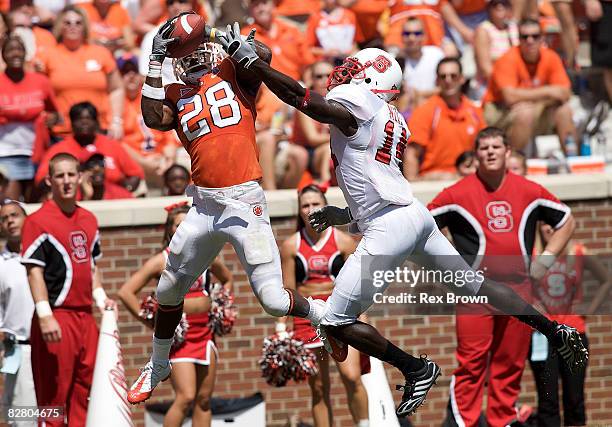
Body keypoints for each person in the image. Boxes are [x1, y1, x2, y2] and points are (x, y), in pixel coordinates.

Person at [212, 25, 588, 417]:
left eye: (355, 71)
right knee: (478, 286)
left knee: (337, 321)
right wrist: (342, 214)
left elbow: (302, 99)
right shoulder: (392, 115)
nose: (345, 74)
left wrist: (252, 63)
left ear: (371, 80)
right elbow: (375, 181)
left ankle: (415, 368)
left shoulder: (358, 106)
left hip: (389, 226)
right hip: (415, 217)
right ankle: (553, 328)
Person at [126, 18, 328, 404]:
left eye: (196, 49)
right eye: (181, 55)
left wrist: (221, 37)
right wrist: (154, 60)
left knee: (272, 301)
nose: (191, 59)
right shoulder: (174, 91)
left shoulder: (233, 71)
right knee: (168, 289)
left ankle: (325, 317)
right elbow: (153, 118)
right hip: (203, 205)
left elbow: (264, 59)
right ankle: (157, 363)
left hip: (243, 202)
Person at [427, 127, 575, 427]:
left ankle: (502, 422)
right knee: (471, 364)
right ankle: (461, 423)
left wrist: (543, 264)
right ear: (476, 154)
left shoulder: (529, 190)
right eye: (484, 148)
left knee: (509, 366)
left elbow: (567, 221)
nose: (491, 152)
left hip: (519, 291)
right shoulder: (457, 193)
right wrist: (448, 267)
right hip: (475, 294)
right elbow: (421, 227)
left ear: (508, 151)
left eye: (497, 146)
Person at [20, 152, 116, 427]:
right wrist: (44, 313)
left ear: (80, 177)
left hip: (85, 316)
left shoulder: (89, 219)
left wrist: (101, 299)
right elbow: (34, 270)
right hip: (57, 317)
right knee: (54, 399)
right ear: (49, 181)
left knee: (85, 394)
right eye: (59, 176)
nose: (66, 181)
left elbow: (92, 268)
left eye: (71, 174)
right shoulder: (37, 221)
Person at [119, 202, 232, 427]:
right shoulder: (162, 259)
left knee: (203, 400)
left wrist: (222, 304)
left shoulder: (207, 254)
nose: (183, 229)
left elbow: (227, 278)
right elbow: (126, 292)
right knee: (186, 397)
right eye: (178, 225)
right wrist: (152, 321)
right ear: (170, 229)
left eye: (187, 224)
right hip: (179, 337)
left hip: (206, 333)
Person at [279, 185, 369, 427]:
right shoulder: (290, 246)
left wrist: (364, 320)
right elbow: (288, 291)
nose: (311, 209)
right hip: (306, 318)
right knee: (318, 387)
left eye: (316, 204)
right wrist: (281, 329)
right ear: (299, 211)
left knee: (351, 377)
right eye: (305, 205)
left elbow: (359, 287)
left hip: (340, 314)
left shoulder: (344, 241)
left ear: (325, 206)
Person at [529, 224, 611, 427]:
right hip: (543, 336)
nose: (549, 228)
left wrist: (590, 308)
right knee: (547, 400)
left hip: (573, 334)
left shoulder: (577, 252)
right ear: (539, 226)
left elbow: (606, 279)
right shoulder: (532, 254)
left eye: (555, 224)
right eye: (545, 223)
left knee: (574, 399)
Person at [482, 18, 577, 152]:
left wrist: (526, 95)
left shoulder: (551, 57)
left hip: (534, 108)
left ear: (542, 38)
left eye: (535, 36)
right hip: (500, 112)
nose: (530, 41)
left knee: (564, 111)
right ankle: (512, 162)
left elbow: (564, 92)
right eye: (524, 37)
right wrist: (548, 91)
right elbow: (509, 97)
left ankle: (572, 158)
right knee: (525, 113)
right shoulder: (507, 59)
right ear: (518, 39)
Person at [36, 6, 124, 138]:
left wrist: (116, 121)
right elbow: (38, 90)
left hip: (98, 130)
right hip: (62, 132)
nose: (73, 26)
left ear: (85, 26)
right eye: (68, 23)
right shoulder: (48, 55)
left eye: (78, 23)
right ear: (60, 26)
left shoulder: (100, 53)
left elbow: (116, 88)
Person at [34, 102, 144, 194]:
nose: (84, 122)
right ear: (71, 123)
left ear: (96, 122)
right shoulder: (58, 149)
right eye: (79, 118)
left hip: (112, 201)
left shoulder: (112, 145)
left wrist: (123, 192)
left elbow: (135, 174)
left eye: (89, 118)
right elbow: (41, 181)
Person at [405, 57, 485, 181]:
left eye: (453, 76)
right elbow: (411, 154)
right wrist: (414, 188)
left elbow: (484, 148)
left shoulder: (474, 111)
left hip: (468, 178)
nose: (448, 80)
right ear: (437, 80)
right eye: (443, 76)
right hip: (435, 179)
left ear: (462, 79)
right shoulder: (425, 111)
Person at [0, 35, 58, 202]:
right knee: (12, 204)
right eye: (10, 50)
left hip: (36, 153)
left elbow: (56, 114)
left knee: (36, 204)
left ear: (26, 53)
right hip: (6, 152)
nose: (15, 54)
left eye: (19, 49)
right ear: (3, 55)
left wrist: (51, 119)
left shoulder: (41, 81)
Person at [0, 200, 36, 427]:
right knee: (22, 418)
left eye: (15, 215)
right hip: (18, 351)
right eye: (4, 218)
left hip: (51, 348)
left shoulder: (42, 255)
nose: (10, 221)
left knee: (56, 413)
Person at [291, 61, 334, 185]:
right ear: (312, 80)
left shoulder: (342, 100)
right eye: (319, 76)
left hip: (325, 150)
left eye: (328, 75)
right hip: (309, 152)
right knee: (329, 147)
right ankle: (324, 180)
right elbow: (312, 139)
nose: (324, 80)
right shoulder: (305, 103)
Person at [397, 17, 445, 108]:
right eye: (407, 34)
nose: (412, 38)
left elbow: (447, 86)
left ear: (424, 36)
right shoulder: (396, 61)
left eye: (417, 33)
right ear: (401, 36)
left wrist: (419, 94)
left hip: (436, 107)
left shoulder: (436, 54)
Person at [473, 0, 518, 96]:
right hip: (490, 85)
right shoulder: (483, 30)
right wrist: (506, 86)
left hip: (514, 82)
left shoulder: (514, 27)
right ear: (488, 8)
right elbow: (486, 70)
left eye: (504, 3)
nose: (500, 6)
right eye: (495, 3)